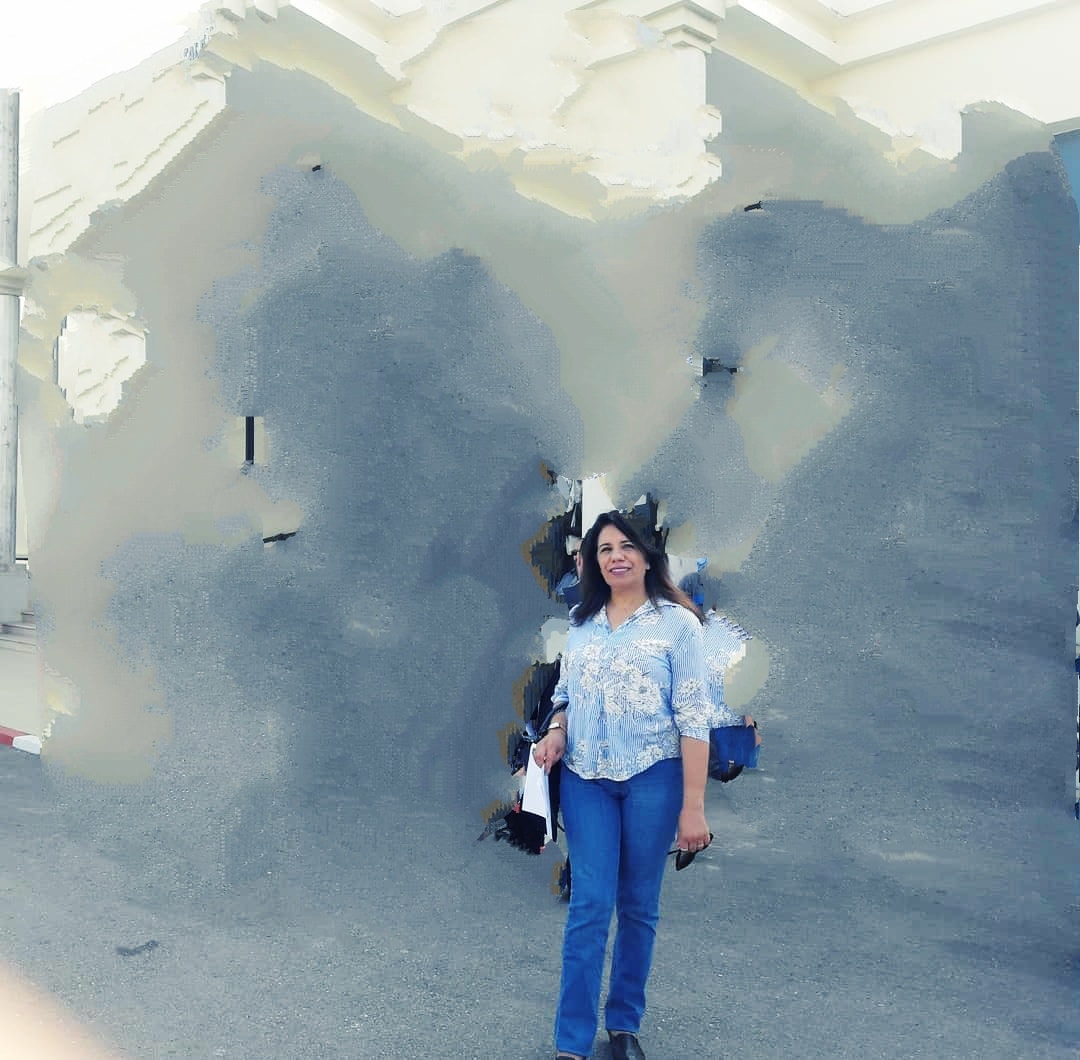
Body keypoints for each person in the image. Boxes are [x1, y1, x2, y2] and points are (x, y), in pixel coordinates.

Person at [532, 510, 713, 1060]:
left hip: (653, 778)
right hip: (586, 779)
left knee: (637, 905)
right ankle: (571, 1044)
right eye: (605, 548)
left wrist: (693, 807)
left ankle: (624, 1025)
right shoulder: (582, 620)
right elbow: (565, 695)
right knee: (590, 905)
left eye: (627, 546)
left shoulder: (679, 627)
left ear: (648, 556)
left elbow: (695, 718)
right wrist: (557, 731)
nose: (617, 557)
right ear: (593, 560)